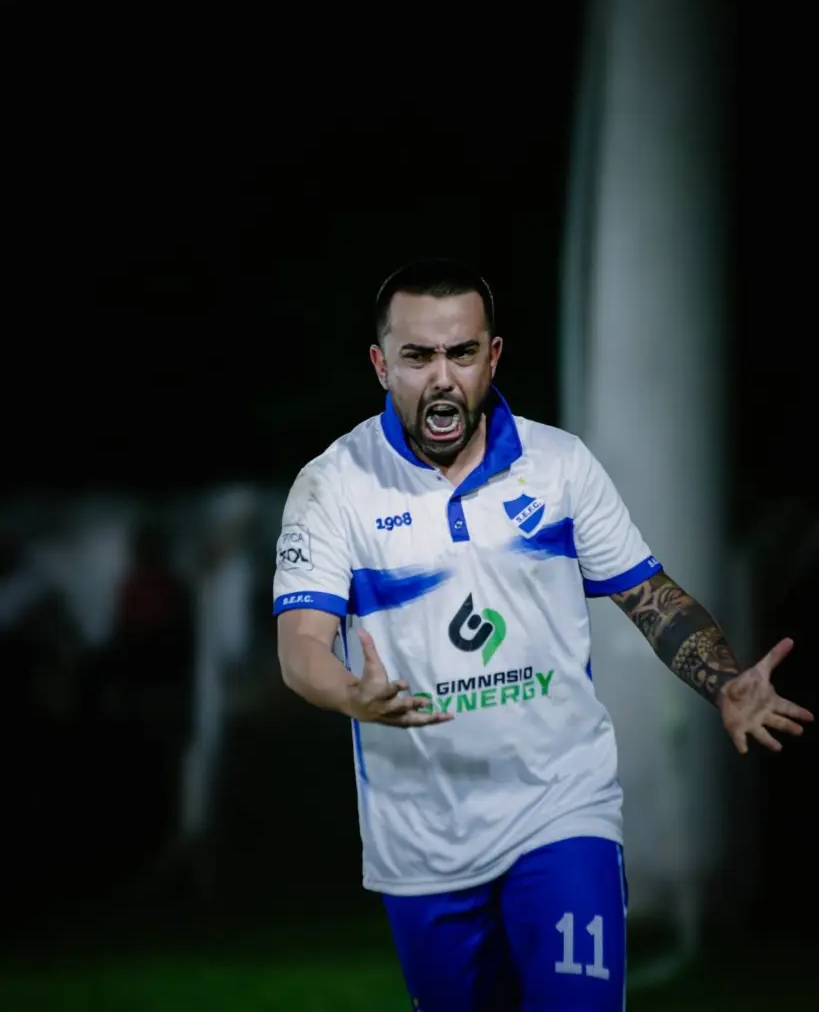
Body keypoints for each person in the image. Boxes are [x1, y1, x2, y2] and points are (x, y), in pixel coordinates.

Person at [273, 258, 814, 1011]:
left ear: (492, 356)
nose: (442, 378)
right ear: (380, 364)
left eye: (462, 353)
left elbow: (647, 596)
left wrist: (723, 681)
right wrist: (348, 694)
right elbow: (301, 646)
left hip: (562, 810)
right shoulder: (333, 485)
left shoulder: (559, 465)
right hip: (422, 840)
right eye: (418, 356)